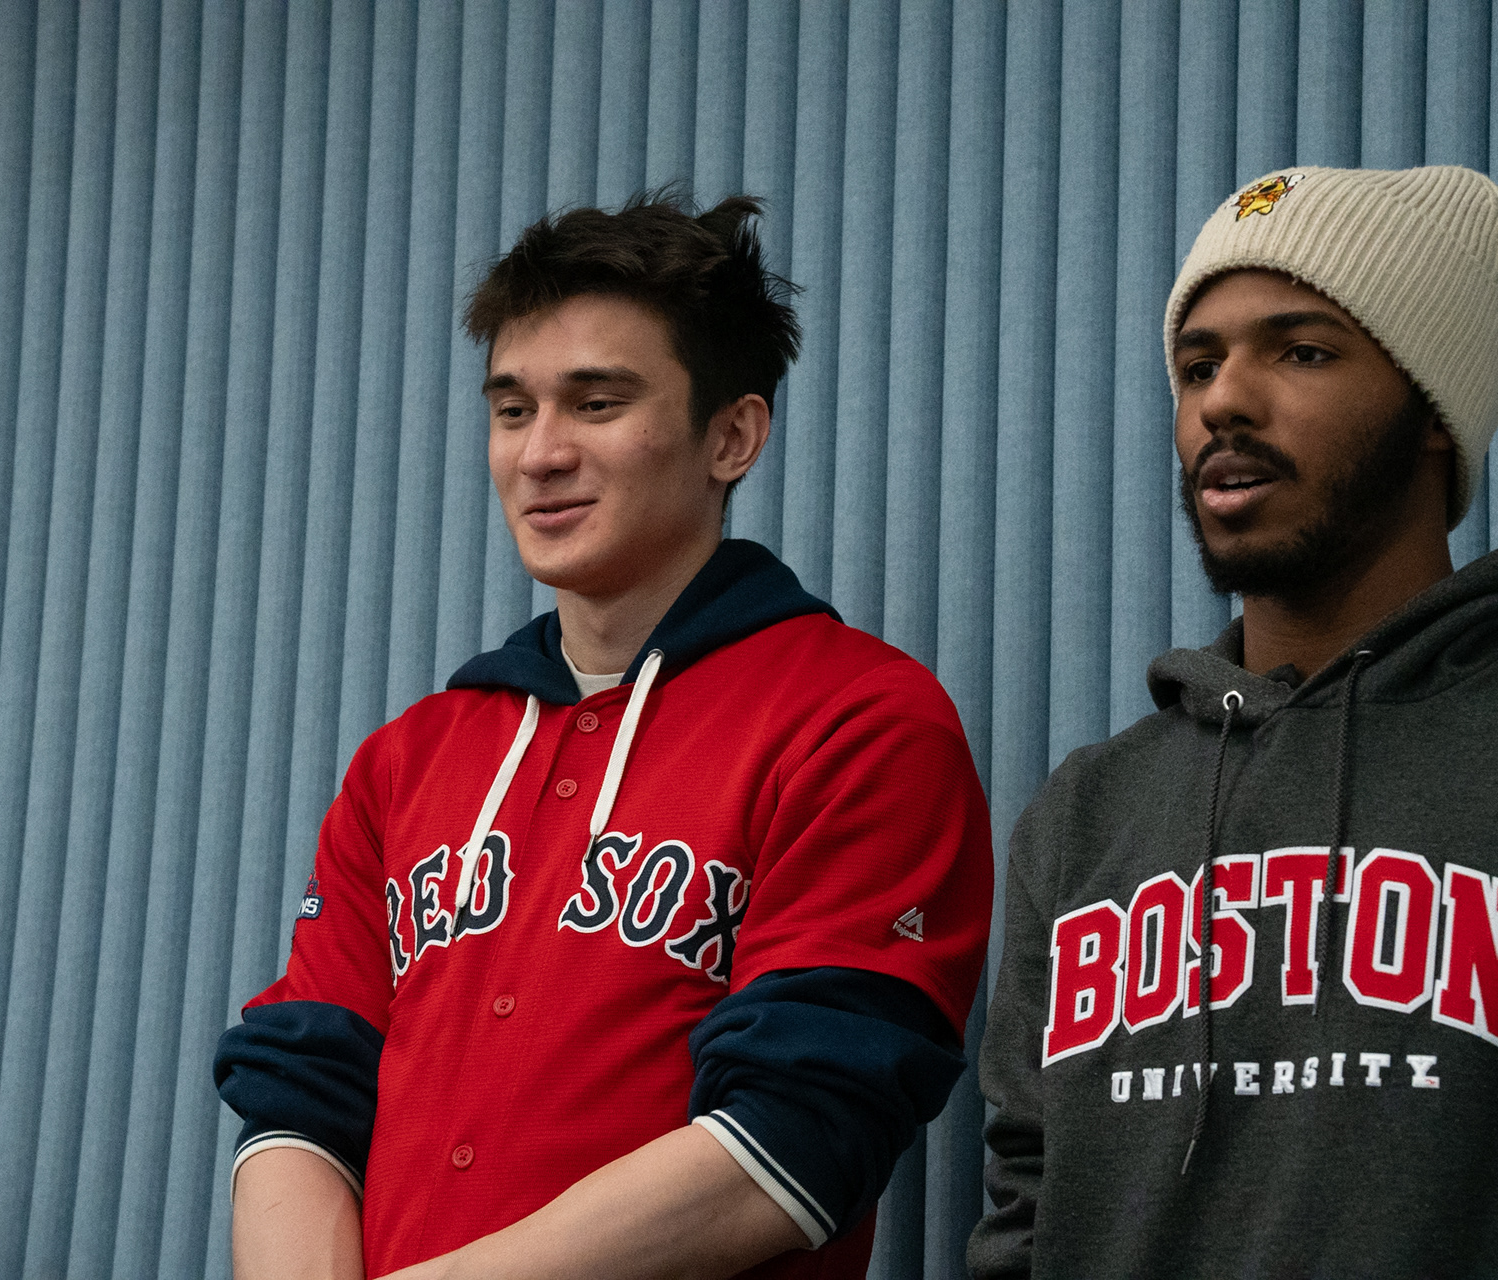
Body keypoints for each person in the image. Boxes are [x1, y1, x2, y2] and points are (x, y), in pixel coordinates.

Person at [968, 165, 1498, 1277]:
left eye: (1302, 351)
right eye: (1199, 365)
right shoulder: (1088, 813)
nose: (1224, 401)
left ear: (1432, 413)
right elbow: (1029, 1210)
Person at [215, 191, 993, 1280]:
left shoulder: (861, 722)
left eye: (595, 403)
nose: (540, 453)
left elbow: (797, 1135)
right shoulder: (406, 761)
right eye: (512, 409)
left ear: (732, 435)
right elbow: (304, 1093)